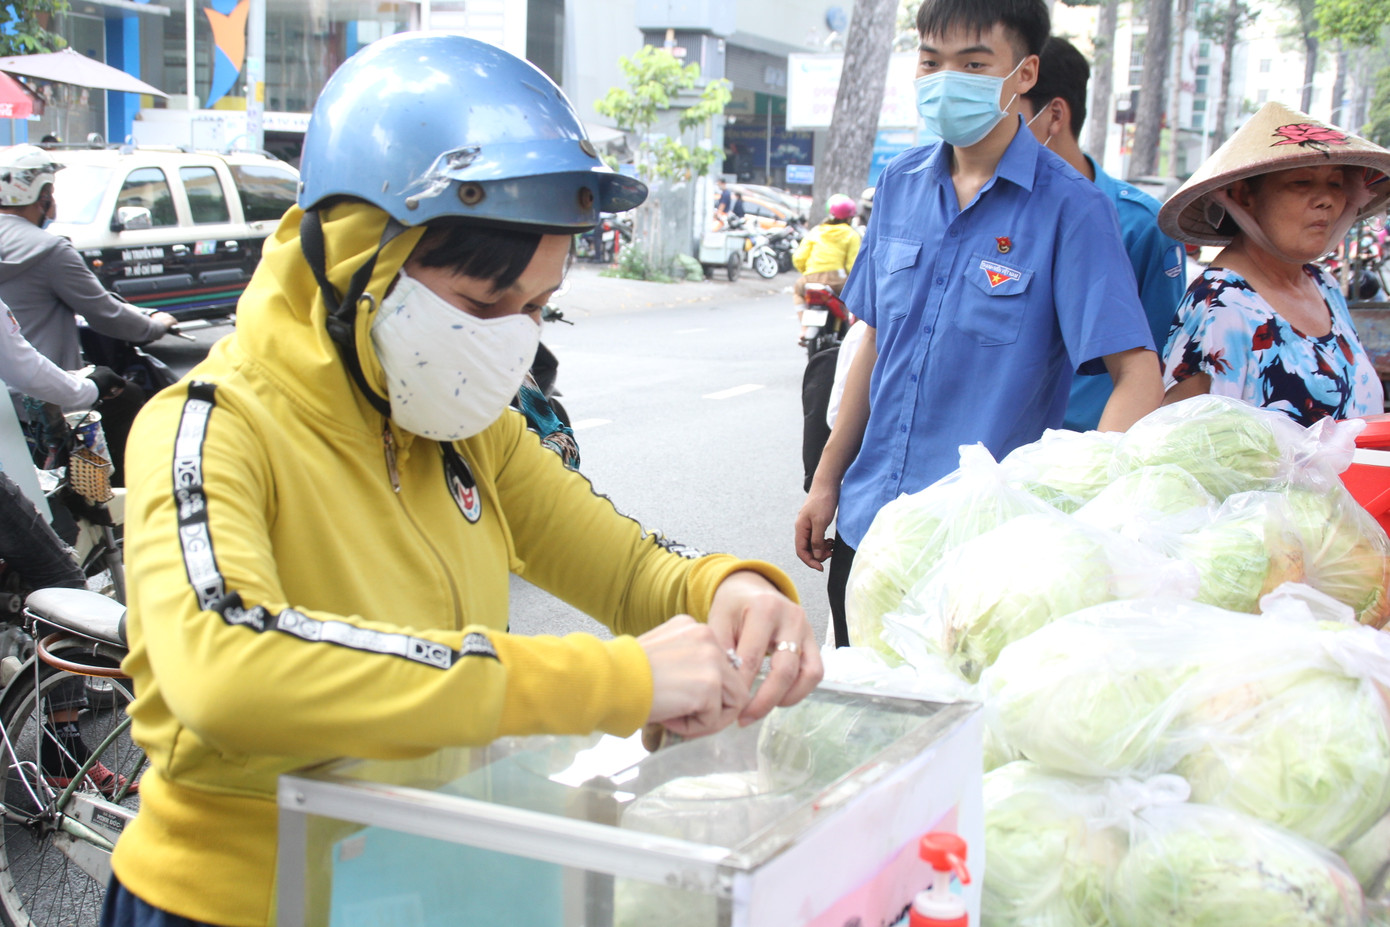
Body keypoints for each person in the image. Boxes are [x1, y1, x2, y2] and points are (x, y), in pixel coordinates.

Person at [107, 34, 821, 927]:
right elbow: (229, 669)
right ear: (357, 259)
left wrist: (731, 587)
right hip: (232, 905)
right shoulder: (210, 427)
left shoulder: (469, 430)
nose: (511, 340)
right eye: (485, 306)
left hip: (421, 885)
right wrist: (612, 679)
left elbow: (631, 570)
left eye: (536, 308)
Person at [794, 0, 1163, 648]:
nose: (945, 80)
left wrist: (1088, 516)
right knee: (857, 730)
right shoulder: (901, 182)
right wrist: (826, 481)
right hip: (868, 528)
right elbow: (876, 344)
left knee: (956, 740)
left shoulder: (1072, 208)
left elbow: (1136, 372)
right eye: (931, 61)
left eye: (972, 63)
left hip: (982, 555)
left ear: (1022, 73)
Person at [1158, 101, 1390, 425]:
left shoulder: (1324, 286)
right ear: (1243, 196)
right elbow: (1189, 448)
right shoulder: (1219, 304)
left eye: (1335, 184)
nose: (1326, 199)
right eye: (1302, 183)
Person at [1019, 37, 1188, 432]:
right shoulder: (987, 215)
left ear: (1054, 115)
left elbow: (1160, 362)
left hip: (1086, 457)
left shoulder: (1140, 225)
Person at [0, 144, 176, 485]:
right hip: (43, 396)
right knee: (129, 398)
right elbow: (106, 314)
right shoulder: (49, 250)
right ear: (44, 196)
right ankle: (125, 502)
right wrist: (154, 326)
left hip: (12, 399)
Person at [792, 193, 861, 343]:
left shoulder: (816, 231)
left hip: (811, 279)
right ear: (849, 217)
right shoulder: (851, 235)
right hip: (838, 282)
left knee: (798, 291)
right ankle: (853, 336)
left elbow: (799, 258)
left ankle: (804, 327)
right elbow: (853, 264)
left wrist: (807, 272)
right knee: (854, 299)